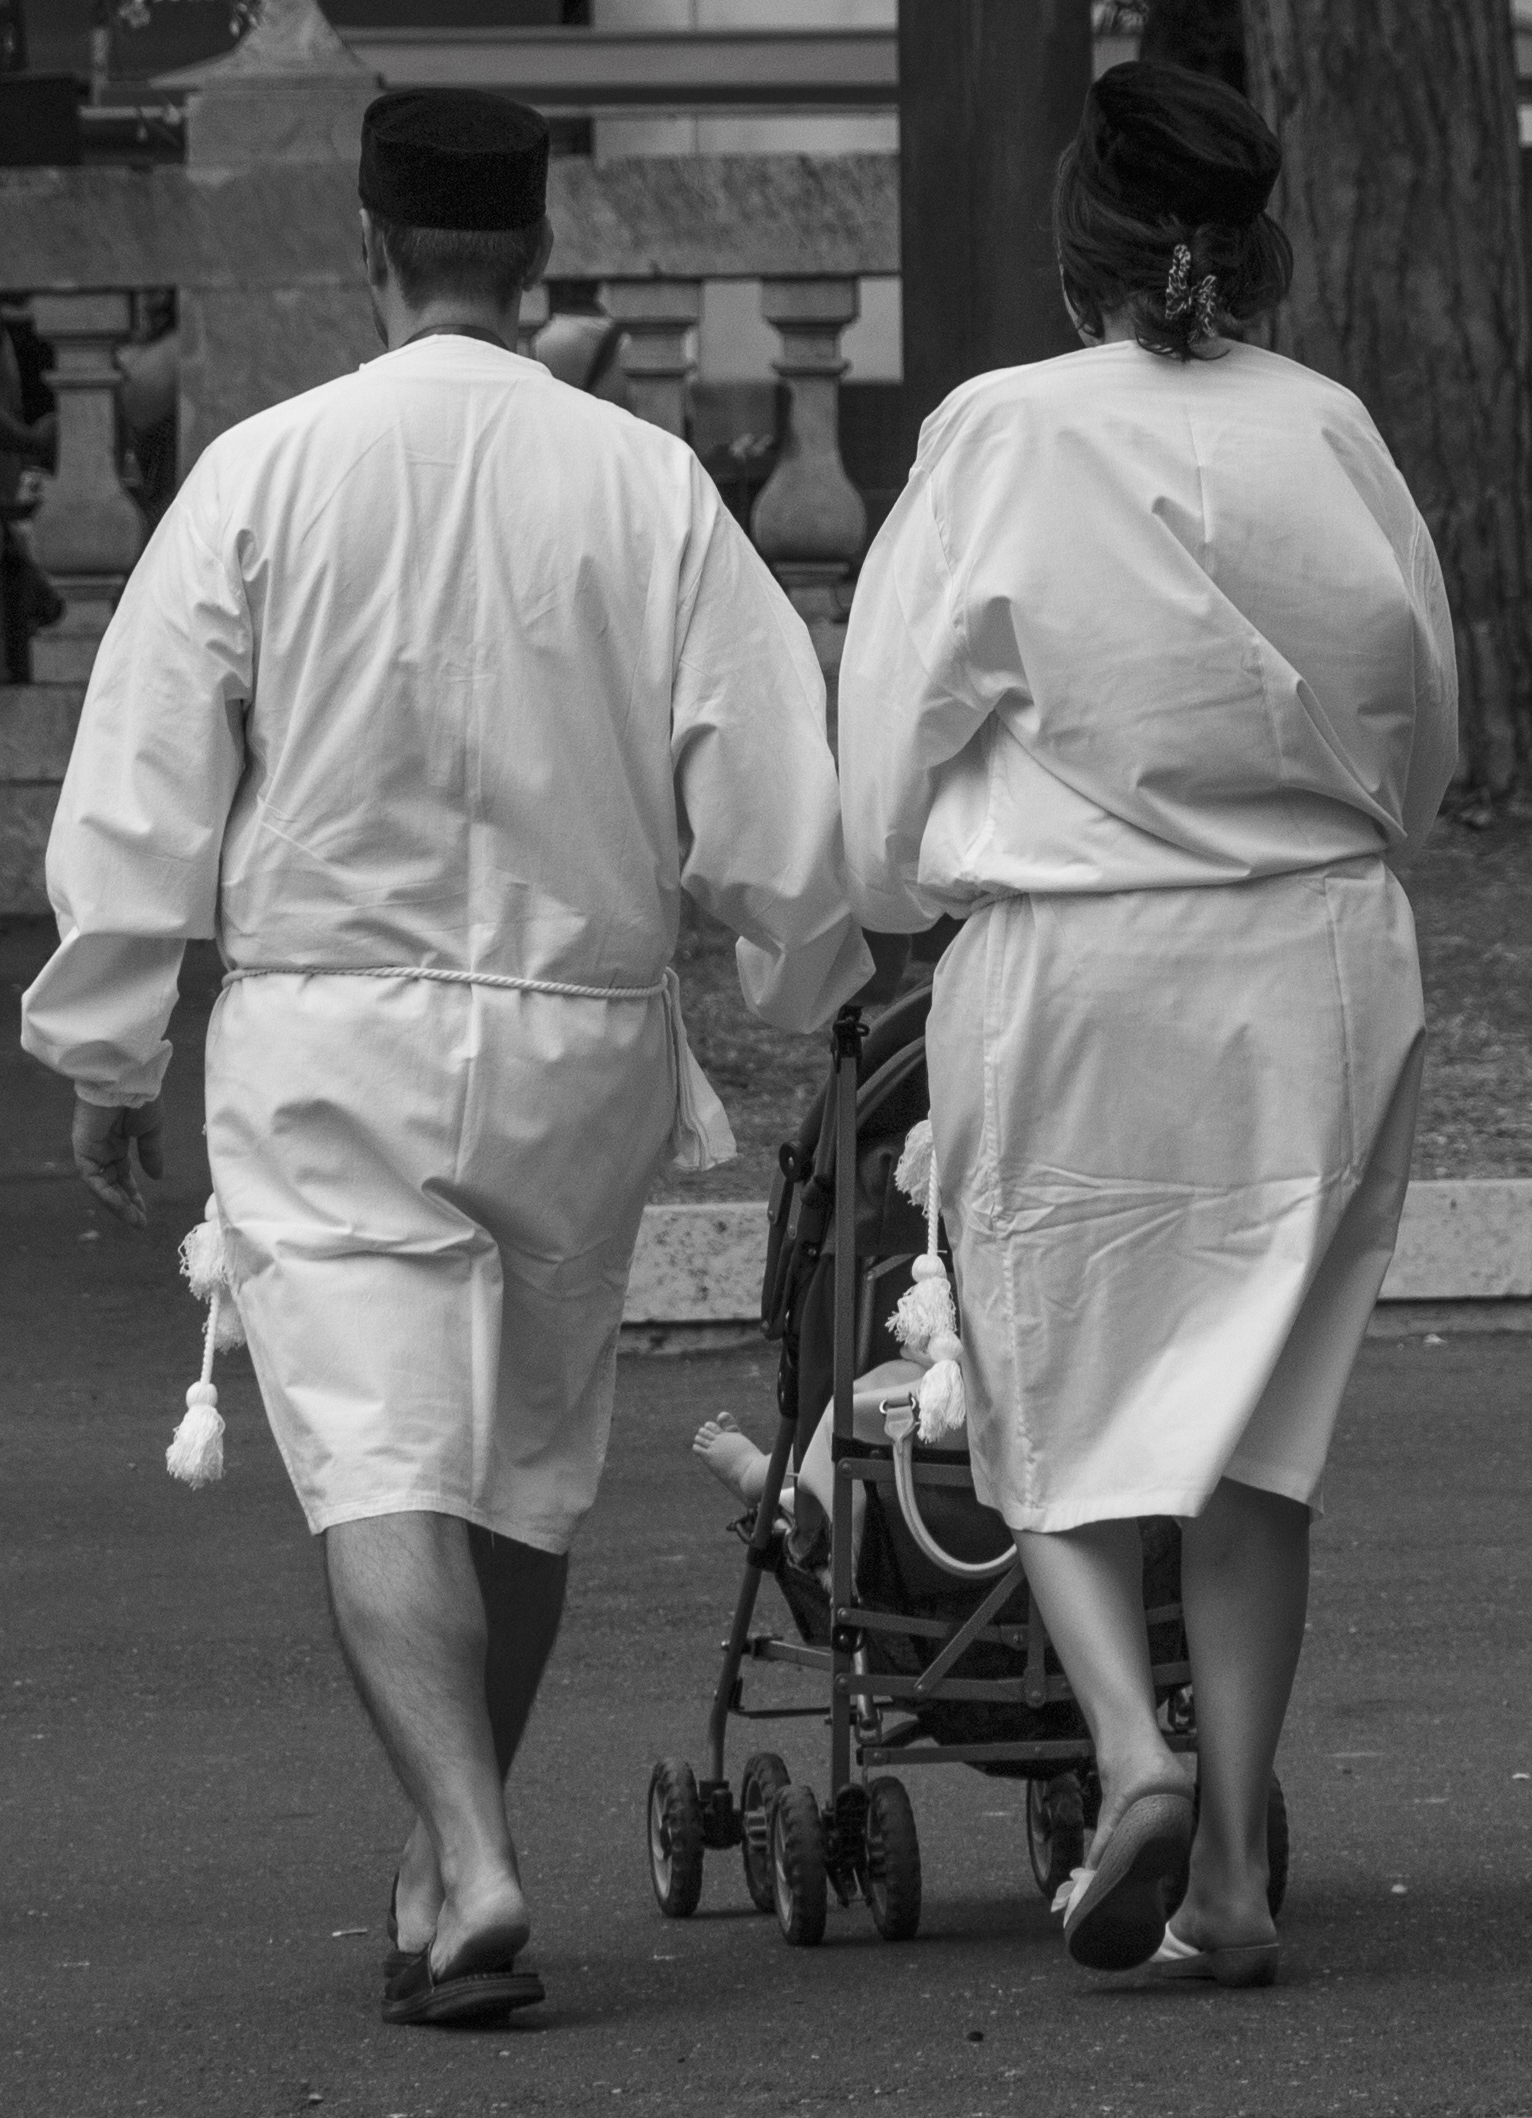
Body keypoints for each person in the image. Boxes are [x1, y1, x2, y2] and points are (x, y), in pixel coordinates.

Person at [21, 86, 873, 2027]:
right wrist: (799, 969)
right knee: (525, 1467)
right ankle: (446, 1859)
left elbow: (149, 773)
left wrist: (108, 1039)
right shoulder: (641, 482)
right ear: (538, 253)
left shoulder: (265, 468)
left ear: (368, 242)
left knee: (385, 1463)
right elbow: (763, 764)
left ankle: (469, 1854)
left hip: (335, 1028)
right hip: (575, 1032)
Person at [838, 61, 1457, 1985]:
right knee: (1260, 1436)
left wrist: (895, 891)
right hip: (1315, 963)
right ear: (1255, 239)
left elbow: (886, 764)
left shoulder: (1001, 433)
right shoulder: (1334, 431)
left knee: (1060, 1377)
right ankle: (1237, 1866)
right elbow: (1423, 729)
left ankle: (1133, 1756)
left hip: (1084, 952)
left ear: (1078, 242)